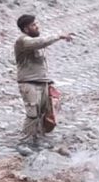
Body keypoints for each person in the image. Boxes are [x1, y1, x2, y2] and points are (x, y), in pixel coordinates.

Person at [14, 14, 73, 153]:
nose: (37, 26)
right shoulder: (22, 41)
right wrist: (59, 36)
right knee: (32, 113)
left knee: (43, 113)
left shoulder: (33, 41)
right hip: (29, 83)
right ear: (26, 29)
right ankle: (23, 143)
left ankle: (36, 141)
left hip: (41, 82)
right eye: (33, 25)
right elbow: (41, 42)